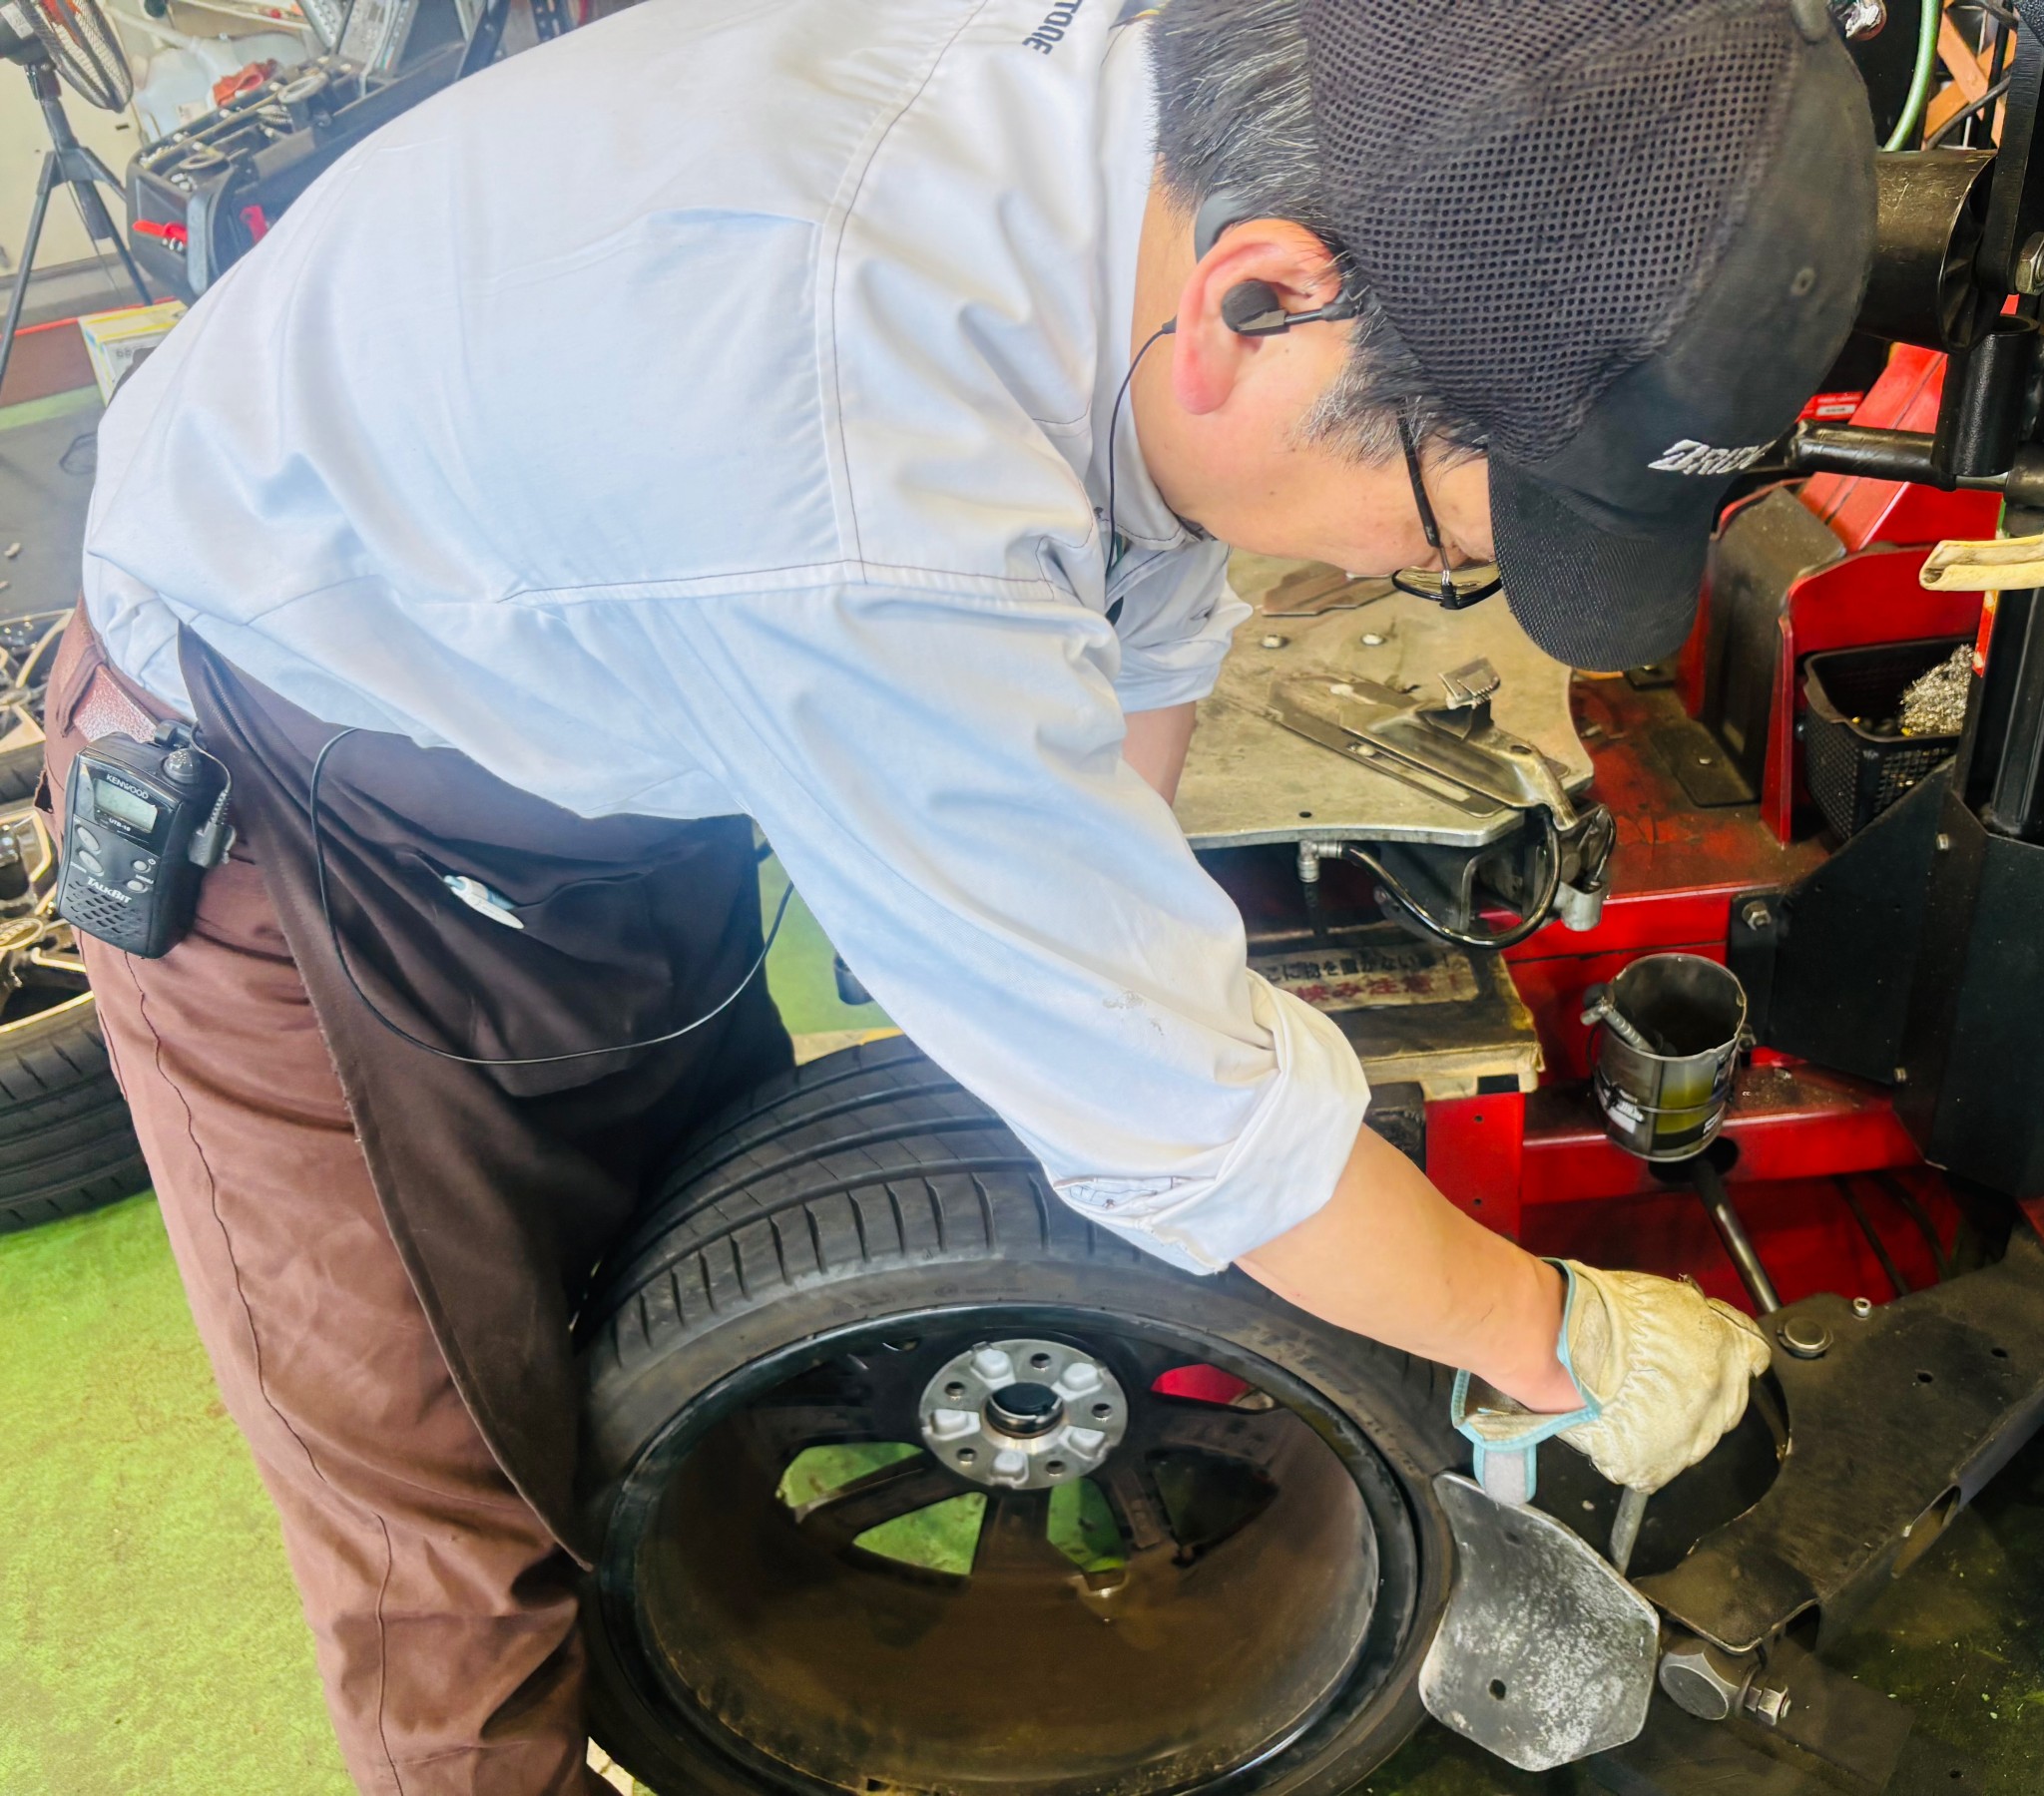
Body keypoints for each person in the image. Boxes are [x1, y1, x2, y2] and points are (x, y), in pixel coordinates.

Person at [57, 0, 1874, 1787]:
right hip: (294, 817)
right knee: (452, 1552)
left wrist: (1120, 990)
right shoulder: (856, 480)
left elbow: (1143, 606)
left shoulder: (1151, 155)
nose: (1420, 568)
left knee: (681, 1276)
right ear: (1258, 304)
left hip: (586, 714)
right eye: (1447, 535)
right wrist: (1548, 1330)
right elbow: (1179, 1119)